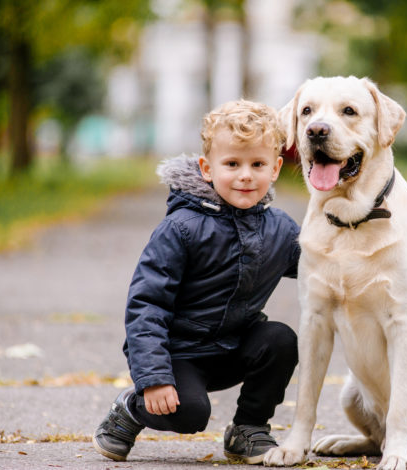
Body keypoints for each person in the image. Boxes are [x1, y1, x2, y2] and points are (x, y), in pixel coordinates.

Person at [93, 100, 300, 464]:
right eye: (232, 164)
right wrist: (153, 376)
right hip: (178, 355)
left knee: (280, 339)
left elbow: (319, 265)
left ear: (276, 168)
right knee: (191, 414)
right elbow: (147, 303)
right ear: (207, 168)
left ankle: (248, 429)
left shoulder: (280, 229)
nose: (245, 175)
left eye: (257, 164)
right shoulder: (182, 228)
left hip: (233, 346)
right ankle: (131, 407)